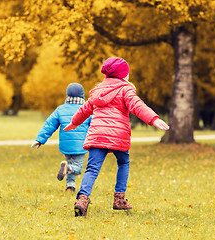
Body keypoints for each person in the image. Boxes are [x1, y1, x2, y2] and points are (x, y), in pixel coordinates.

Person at [64, 57, 169, 217]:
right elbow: (137, 105)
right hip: (117, 135)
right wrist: (153, 118)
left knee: (92, 169)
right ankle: (119, 199)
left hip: (97, 135)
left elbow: (84, 109)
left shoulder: (97, 90)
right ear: (124, 75)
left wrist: (74, 123)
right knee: (123, 162)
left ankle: (82, 200)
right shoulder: (125, 89)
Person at [31, 83, 91, 193]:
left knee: (68, 163)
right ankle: (68, 169)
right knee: (76, 168)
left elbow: (49, 125)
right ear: (82, 96)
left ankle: (70, 187)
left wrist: (40, 139)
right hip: (80, 145)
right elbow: (96, 125)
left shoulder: (60, 109)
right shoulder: (86, 109)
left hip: (65, 145)